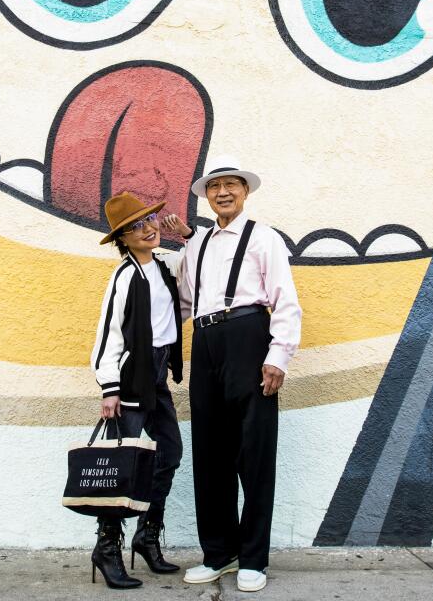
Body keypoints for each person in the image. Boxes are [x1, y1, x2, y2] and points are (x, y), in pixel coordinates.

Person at [161, 156, 301, 594]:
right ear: (205, 196)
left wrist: (278, 355)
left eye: (231, 186)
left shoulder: (264, 238)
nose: (223, 192)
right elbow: (185, 301)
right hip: (205, 343)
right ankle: (218, 553)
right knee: (210, 452)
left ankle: (253, 558)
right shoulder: (197, 245)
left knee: (254, 453)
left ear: (244, 192)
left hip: (248, 337)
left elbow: (285, 299)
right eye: (215, 186)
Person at [88, 192, 185, 589]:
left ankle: (147, 535)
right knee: (122, 467)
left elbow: (197, 265)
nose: (147, 229)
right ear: (121, 240)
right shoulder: (124, 277)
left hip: (157, 377)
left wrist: (188, 234)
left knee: (170, 453)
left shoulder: (164, 266)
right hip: (129, 381)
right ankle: (107, 548)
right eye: (135, 227)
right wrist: (109, 387)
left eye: (149, 221)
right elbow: (107, 334)